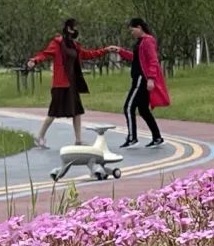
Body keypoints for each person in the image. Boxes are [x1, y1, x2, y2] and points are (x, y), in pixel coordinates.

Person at [26, 18, 110, 149]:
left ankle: (78, 140)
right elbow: (45, 53)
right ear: (68, 28)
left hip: (72, 84)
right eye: (74, 27)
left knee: (77, 111)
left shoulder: (75, 45)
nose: (76, 30)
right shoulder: (58, 43)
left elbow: (88, 54)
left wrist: (106, 50)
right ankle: (39, 136)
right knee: (53, 112)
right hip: (61, 84)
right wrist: (34, 60)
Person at [111, 18, 169, 148]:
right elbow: (136, 58)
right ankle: (157, 137)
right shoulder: (141, 42)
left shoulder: (148, 41)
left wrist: (151, 78)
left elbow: (153, 60)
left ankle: (132, 138)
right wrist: (119, 50)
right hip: (138, 78)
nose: (132, 33)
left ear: (139, 27)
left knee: (128, 107)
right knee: (143, 109)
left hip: (141, 79)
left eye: (132, 30)